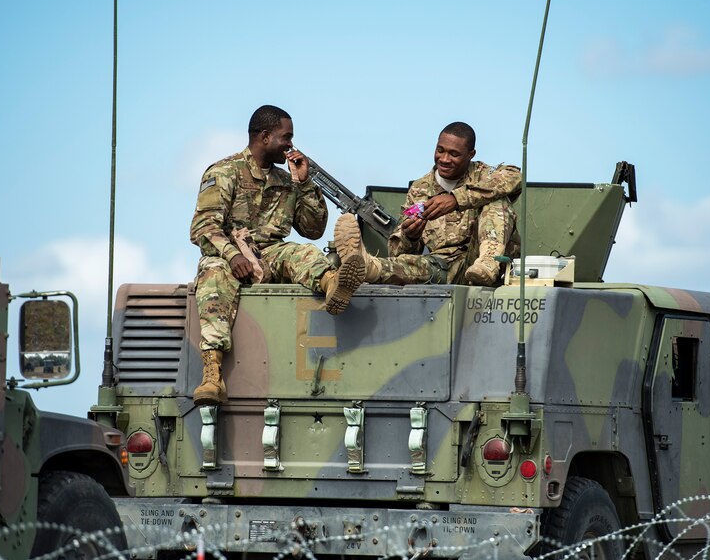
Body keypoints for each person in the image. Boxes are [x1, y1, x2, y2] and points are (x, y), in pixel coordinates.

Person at [189, 105, 365, 405]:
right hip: (230, 255)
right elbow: (203, 227)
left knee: (303, 253)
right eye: (286, 137)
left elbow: (312, 229)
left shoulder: (285, 181)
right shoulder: (224, 172)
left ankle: (334, 286)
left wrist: (305, 183)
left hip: (270, 252)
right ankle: (212, 376)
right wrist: (233, 256)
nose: (290, 145)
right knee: (213, 274)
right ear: (265, 136)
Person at [335, 121, 520, 286]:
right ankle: (367, 267)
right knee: (415, 266)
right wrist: (410, 236)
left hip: (492, 266)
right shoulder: (419, 190)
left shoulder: (484, 175)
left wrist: (457, 199)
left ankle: (489, 261)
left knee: (496, 199)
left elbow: (515, 176)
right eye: (441, 150)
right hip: (446, 266)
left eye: (454, 154)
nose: (445, 159)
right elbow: (398, 252)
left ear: (470, 154)